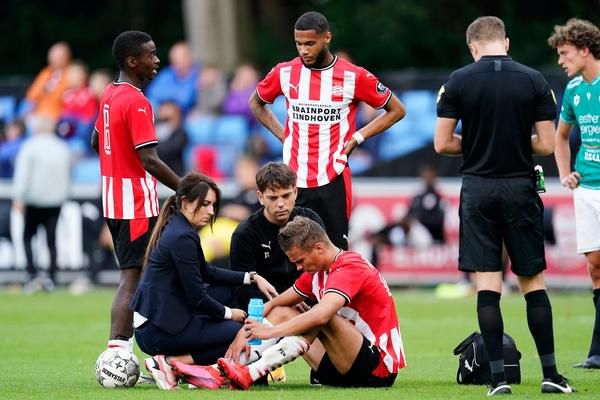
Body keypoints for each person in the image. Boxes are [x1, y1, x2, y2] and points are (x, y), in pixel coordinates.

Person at [434, 16, 574, 395]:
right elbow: (546, 144)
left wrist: (480, 143)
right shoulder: (534, 80)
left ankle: (497, 380)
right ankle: (551, 375)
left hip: (478, 190)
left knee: (487, 284)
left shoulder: (458, 81)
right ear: (506, 43)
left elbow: (442, 143)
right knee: (532, 282)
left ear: (473, 47)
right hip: (519, 187)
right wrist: (511, 141)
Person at [249, 11, 406, 250]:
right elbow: (256, 103)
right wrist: (284, 135)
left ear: (327, 38)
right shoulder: (285, 72)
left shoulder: (354, 76)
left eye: (310, 43)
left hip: (333, 178)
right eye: (299, 44)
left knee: (334, 253)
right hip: (293, 181)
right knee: (293, 254)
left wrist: (357, 138)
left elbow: (397, 109)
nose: (304, 50)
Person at [211, 216, 405, 389]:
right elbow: (277, 302)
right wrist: (246, 331)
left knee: (321, 316)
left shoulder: (350, 267)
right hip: (343, 363)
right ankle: (224, 370)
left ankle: (252, 372)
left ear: (318, 248)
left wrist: (270, 332)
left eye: (300, 260)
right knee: (282, 310)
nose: (298, 267)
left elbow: (321, 315)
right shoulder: (318, 271)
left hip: (377, 369)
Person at [131, 172, 277, 390]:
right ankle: (171, 364)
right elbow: (197, 296)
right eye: (205, 204)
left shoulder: (178, 228)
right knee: (241, 331)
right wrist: (230, 313)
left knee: (232, 305)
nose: (211, 211)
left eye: (213, 205)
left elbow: (205, 271)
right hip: (157, 330)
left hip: (155, 323)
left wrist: (251, 277)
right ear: (186, 203)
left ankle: (184, 368)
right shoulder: (182, 236)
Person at [90, 31, 181, 355]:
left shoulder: (109, 94)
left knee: (138, 275)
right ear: (132, 61)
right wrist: (186, 188)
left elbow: (95, 141)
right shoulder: (137, 101)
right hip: (136, 204)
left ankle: (130, 352)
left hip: (113, 200)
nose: (157, 60)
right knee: (134, 278)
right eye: (151, 54)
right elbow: (150, 160)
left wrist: (116, 162)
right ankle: (119, 355)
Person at [547, 18, 600, 370]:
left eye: (565, 54)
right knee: (595, 266)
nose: (561, 61)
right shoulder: (574, 89)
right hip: (587, 189)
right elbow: (560, 136)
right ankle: (597, 351)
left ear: (585, 50)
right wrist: (565, 174)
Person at [229, 162, 325, 309]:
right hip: (266, 308)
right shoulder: (245, 234)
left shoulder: (310, 221)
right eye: (273, 198)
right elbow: (242, 290)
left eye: (286, 196)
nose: (281, 204)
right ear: (260, 197)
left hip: (309, 303)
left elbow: (323, 269)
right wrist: (285, 303)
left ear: (295, 192)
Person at [12, 117, 71, 293]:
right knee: (51, 240)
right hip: (55, 200)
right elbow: (67, 174)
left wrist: (19, 197)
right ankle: (52, 277)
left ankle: (31, 274)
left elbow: (23, 174)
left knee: (28, 236)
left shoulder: (30, 147)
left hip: (34, 200)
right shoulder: (62, 148)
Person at [145, 41, 200, 115]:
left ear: (189, 58)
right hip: (164, 115)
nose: (178, 65)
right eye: (175, 60)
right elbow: (152, 96)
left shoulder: (200, 74)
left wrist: (172, 103)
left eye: (181, 59)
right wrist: (161, 108)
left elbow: (186, 99)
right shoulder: (166, 74)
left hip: (192, 117)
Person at [22, 42, 72, 122]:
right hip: (39, 114)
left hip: (58, 117)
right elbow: (32, 95)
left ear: (66, 57)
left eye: (58, 57)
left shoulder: (72, 74)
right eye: (52, 56)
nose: (53, 60)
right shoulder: (45, 73)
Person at [155, 101, 187, 176]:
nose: (164, 111)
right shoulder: (155, 127)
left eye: (168, 108)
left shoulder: (181, 132)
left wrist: (153, 145)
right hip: (156, 173)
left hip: (174, 174)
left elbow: (169, 151)